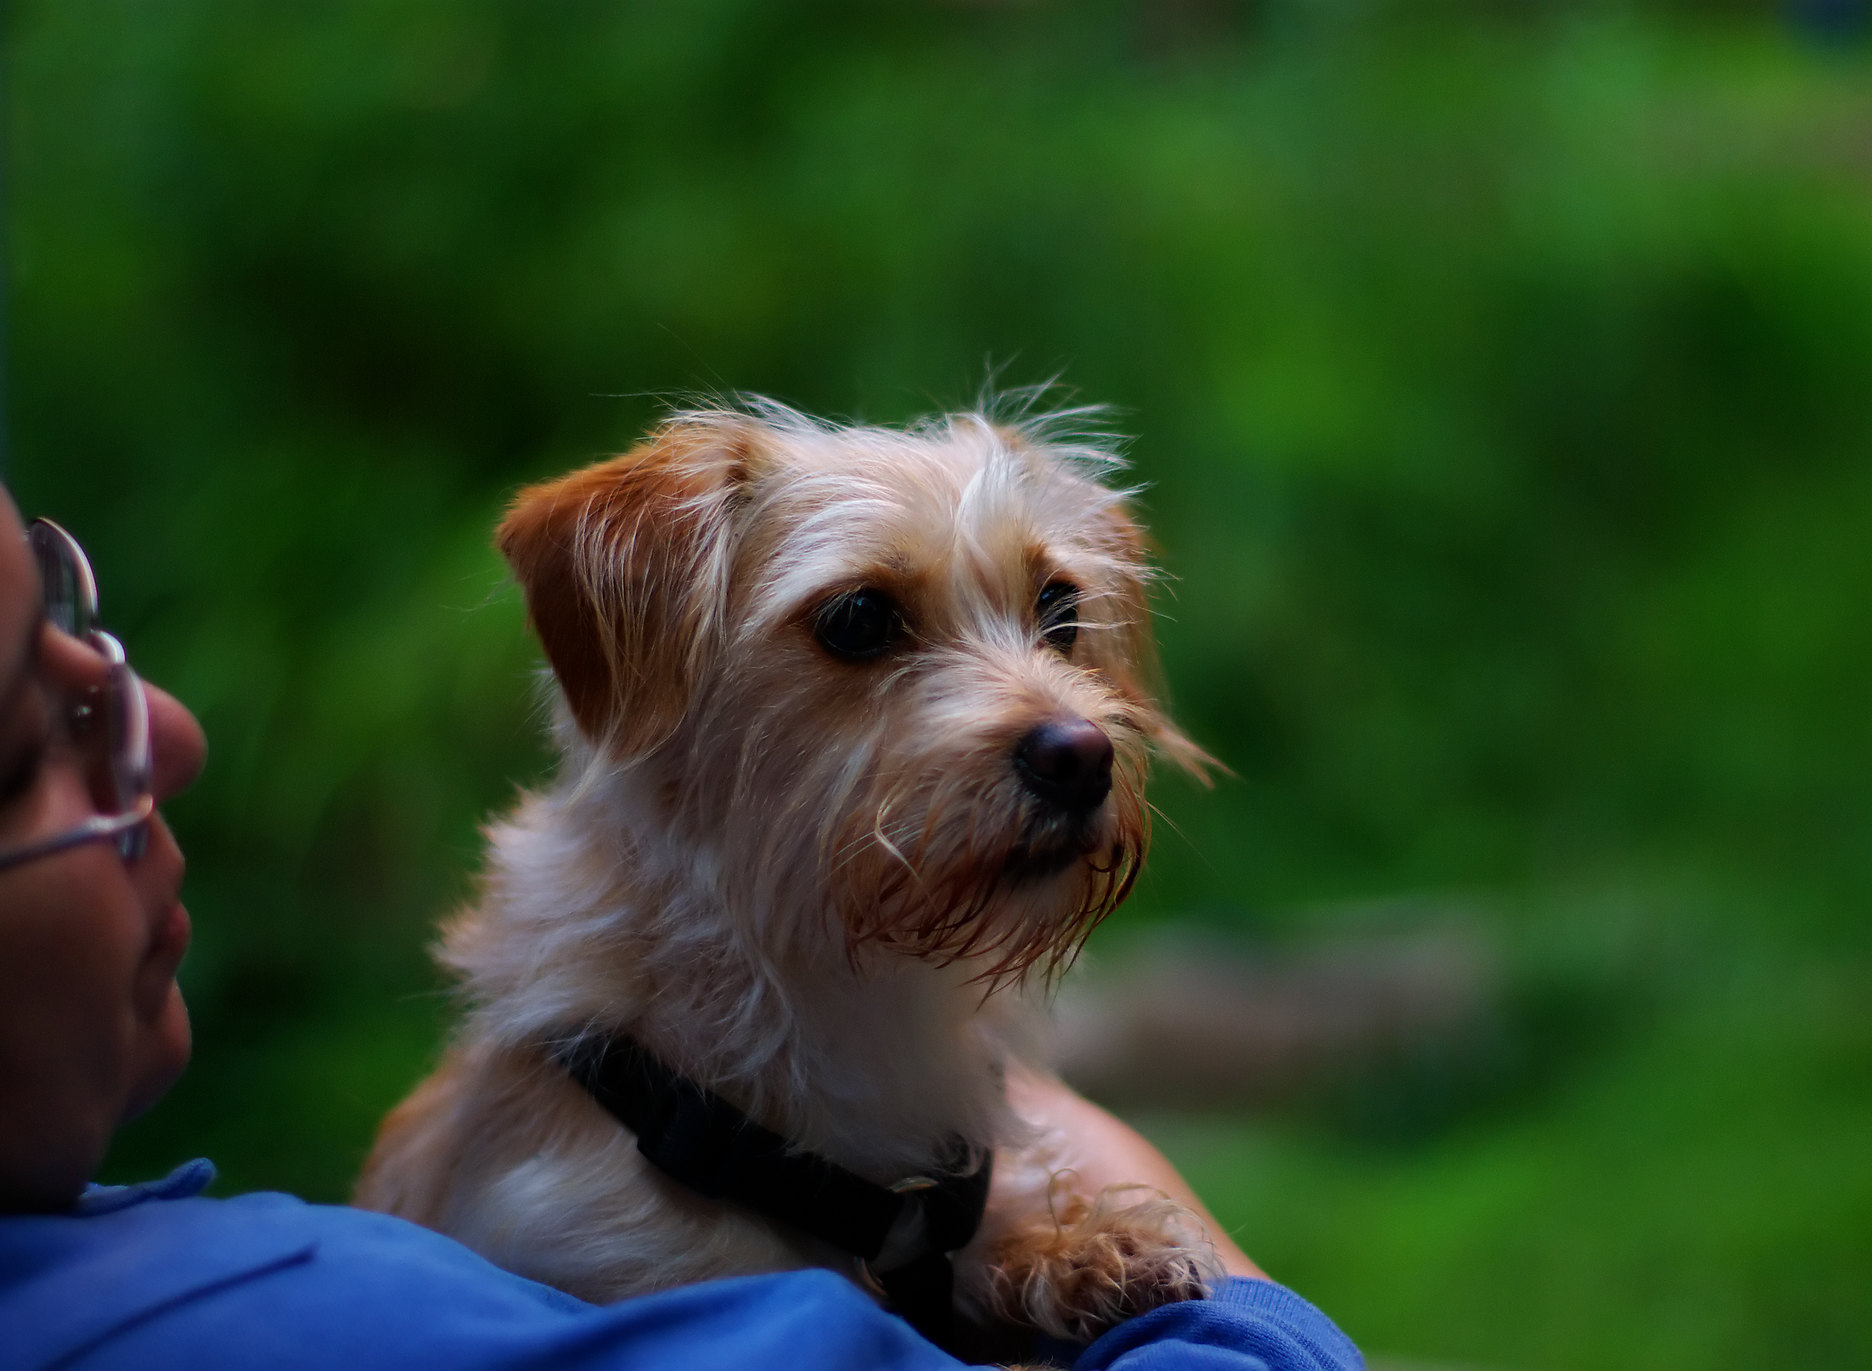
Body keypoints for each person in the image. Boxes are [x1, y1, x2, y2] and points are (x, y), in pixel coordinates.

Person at [0, 483, 1362, 1371]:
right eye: (862, 626)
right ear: (625, 649)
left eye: (1060, 617)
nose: (1062, 719)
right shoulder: (501, 1270)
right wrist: (1199, 1256)